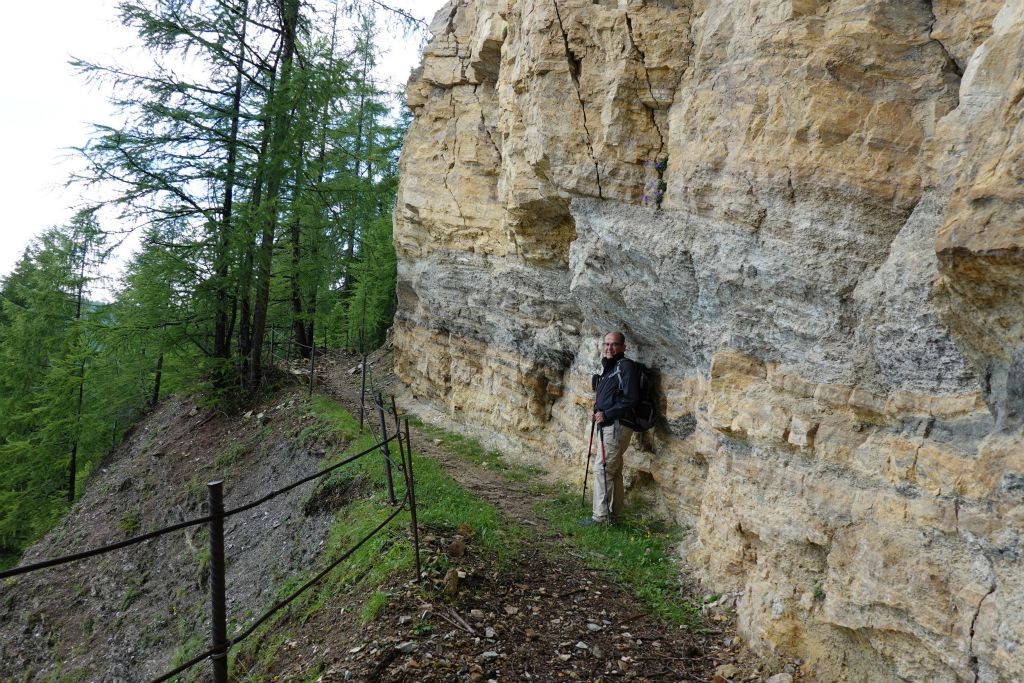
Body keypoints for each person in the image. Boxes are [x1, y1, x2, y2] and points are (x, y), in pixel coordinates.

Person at [581, 331, 640, 526]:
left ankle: (600, 518)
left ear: (623, 347)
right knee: (613, 471)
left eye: (614, 344)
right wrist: (599, 411)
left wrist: (607, 414)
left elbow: (631, 399)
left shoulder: (626, 366)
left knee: (602, 469)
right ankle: (615, 516)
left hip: (616, 425)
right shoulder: (610, 368)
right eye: (606, 344)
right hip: (609, 425)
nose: (609, 348)